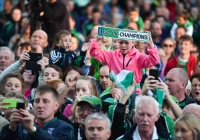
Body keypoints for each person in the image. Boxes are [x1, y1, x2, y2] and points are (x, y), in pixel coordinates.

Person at [0, 85, 74, 140]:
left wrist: (33, 130)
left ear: (56, 105)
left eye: (45, 101)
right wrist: (11, 129)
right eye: (37, 101)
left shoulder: (66, 128)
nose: (40, 105)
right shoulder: (18, 126)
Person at [90, 29, 159, 84]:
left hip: (133, 90)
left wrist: (151, 44)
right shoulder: (111, 55)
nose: (123, 45)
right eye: (121, 42)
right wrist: (97, 40)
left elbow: (154, 60)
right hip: (115, 89)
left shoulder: (139, 57)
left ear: (133, 43)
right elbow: (94, 53)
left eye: (126, 43)